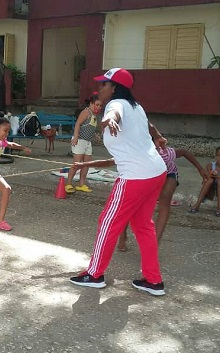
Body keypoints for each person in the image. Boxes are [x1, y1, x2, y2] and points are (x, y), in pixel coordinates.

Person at [69, 68, 167, 296]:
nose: (99, 88)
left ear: (115, 88)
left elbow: (114, 113)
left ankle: (94, 275)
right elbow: (144, 131)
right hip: (155, 172)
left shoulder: (116, 105)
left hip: (135, 177)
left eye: (104, 84)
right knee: (143, 226)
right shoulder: (137, 107)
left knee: (107, 222)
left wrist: (110, 120)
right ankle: (154, 281)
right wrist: (158, 136)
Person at [117, 146, 208, 251]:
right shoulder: (135, 157)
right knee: (130, 203)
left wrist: (200, 169)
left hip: (168, 174)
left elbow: (184, 152)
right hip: (143, 175)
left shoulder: (164, 154)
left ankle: (153, 244)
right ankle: (122, 235)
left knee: (165, 200)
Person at [65, 94, 101, 194]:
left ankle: (81, 184)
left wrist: (95, 135)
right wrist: (76, 136)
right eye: (96, 105)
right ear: (91, 104)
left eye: (100, 105)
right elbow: (78, 124)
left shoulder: (94, 115)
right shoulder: (86, 112)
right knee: (77, 164)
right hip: (80, 140)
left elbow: (89, 127)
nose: (98, 107)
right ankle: (68, 183)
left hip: (88, 142)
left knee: (86, 164)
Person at [188, 142, 220, 217]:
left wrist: (217, 175)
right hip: (211, 192)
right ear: (215, 156)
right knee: (210, 180)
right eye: (218, 155)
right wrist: (210, 174)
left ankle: (219, 207)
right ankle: (197, 204)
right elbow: (207, 176)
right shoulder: (210, 165)